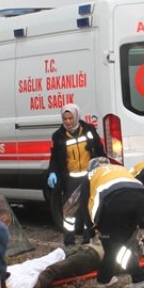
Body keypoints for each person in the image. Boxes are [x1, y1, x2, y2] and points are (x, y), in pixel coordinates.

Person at [28, 232, 144, 288]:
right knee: (46, 260)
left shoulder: (136, 252)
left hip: (94, 256)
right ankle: (24, 273)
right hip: (87, 247)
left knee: (55, 270)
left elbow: (118, 264)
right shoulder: (133, 232)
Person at [87, 158, 144, 288]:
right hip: (141, 198)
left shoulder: (91, 175)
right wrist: (143, 226)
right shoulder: (119, 169)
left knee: (115, 246)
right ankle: (104, 279)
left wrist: (92, 230)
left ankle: (140, 277)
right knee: (113, 244)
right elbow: (133, 190)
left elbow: (87, 204)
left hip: (115, 202)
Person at [46, 103, 105, 245]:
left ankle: (88, 239)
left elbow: (98, 149)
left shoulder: (88, 130)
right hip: (71, 179)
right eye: (65, 118)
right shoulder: (58, 136)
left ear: (76, 116)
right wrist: (52, 172)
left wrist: (104, 164)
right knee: (69, 212)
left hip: (89, 176)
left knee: (88, 209)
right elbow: (55, 158)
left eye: (70, 118)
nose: (67, 121)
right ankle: (69, 241)